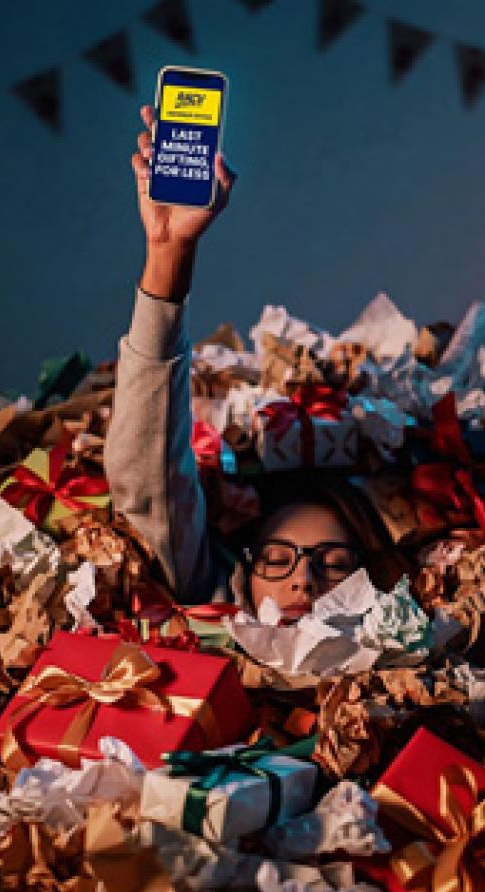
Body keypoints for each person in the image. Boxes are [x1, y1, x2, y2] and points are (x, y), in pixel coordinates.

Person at [105, 104, 406, 622]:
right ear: (240, 577)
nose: (303, 580)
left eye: (334, 565)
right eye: (275, 559)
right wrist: (167, 251)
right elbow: (152, 480)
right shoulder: (218, 606)